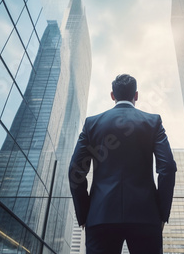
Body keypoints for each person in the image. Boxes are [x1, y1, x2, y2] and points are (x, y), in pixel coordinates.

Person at [69, 74, 177, 253]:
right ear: (136, 95)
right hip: (145, 216)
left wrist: (85, 213)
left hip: (101, 216)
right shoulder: (153, 122)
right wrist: (161, 213)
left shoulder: (92, 124)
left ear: (112, 95)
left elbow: (76, 170)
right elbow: (167, 168)